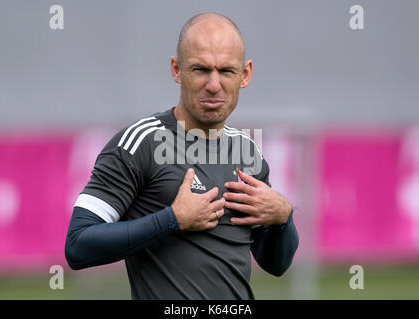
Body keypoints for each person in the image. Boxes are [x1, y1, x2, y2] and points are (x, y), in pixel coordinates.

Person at [65, 12, 299, 300]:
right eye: (201, 69)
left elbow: (275, 264)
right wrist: (171, 219)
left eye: (226, 71)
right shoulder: (141, 143)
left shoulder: (247, 152)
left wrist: (283, 218)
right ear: (176, 70)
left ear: (245, 74)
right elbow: (78, 245)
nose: (214, 84)